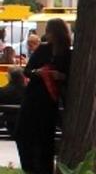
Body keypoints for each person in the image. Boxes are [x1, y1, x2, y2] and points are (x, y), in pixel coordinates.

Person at [16, 18, 71, 174]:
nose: (47, 35)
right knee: (23, 134)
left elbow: (71, 76)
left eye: (49, 31)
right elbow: (27, 70)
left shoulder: (67, 53)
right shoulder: (43, 49)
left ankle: (44, 169)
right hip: (33, 97)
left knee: (45, 139)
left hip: (49, 101)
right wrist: (37, 72)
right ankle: (29, 167)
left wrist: (60, 76)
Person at [0, 67, 25, 133]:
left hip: (7, 118)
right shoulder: (29, 91)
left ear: (9, 77)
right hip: (24, 119)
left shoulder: (2, 91)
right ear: (22, 77)